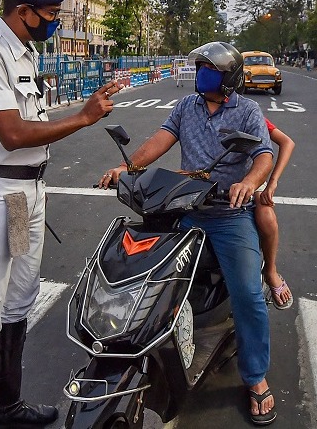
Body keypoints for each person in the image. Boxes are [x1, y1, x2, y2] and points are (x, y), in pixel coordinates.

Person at [0, 0, 122, 429]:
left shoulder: (23, 53)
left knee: (19, 298)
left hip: (23, 199)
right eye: (48, 15)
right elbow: (11, 134)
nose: (54, 23)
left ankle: (4, 406)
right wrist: (85, 119)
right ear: (22, 11)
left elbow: (34, 122)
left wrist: (87, 105)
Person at [99, 42, 276, 426]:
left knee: (248, 293)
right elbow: (157, 144)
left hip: (228, 214)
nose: (200, 75)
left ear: (227, 77)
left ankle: (256, 377)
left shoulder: (247, 110)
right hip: (182, 208)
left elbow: (264, 154)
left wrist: (247, 182)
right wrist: (125, 169)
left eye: (208, 69)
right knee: (149, 274)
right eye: (199, 68)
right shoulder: (186, 107)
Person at [255, 118, 295, 309]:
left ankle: (270, 270)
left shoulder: (247, 112)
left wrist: (272, 182)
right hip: (208, 178)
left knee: (266, 216)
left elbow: (287, 142)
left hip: (251, 179)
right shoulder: (193, 109)